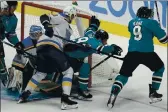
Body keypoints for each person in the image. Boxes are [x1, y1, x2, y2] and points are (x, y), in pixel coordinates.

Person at [18, 6, 78, 110]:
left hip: (41, 48)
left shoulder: (68, 29)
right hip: (52, 48)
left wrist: (73, 46)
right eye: (73, 16)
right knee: (69, 71)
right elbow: (44, 16)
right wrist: (47, 26)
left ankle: (24, 95)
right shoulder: (60, 18)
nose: (73, 18)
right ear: (71, 15)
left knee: (41, 73)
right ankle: (65, 99)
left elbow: (65, 44)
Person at [107, 6, 168, 108]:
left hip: (132, 53)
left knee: (123, 75)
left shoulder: (131, 22)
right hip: (147, 53)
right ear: (148, 15)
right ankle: (153, 93)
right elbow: (163, 40)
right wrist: (159, 29)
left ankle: (114, 92)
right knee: (159, 68)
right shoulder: (152, 23)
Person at [63, 16, 123, 100]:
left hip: (66, 53)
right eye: (105, 40)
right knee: (83, 68)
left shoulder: (90, 35)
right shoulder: (95, 43)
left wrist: (94, 25)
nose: (106, 42)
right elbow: (104, 49)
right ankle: (80, 90)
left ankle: (81, 89)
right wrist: (113, 48)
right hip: (68, 58)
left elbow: (90, 29)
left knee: (85, 67)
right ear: (100, 39)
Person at [0, 1, 24, 86]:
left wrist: (17, 43)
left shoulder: (13, 19)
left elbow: (11, 34)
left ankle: (4, 80)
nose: (14, 9)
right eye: (13, 7)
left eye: (15, 7)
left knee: (1, 62)